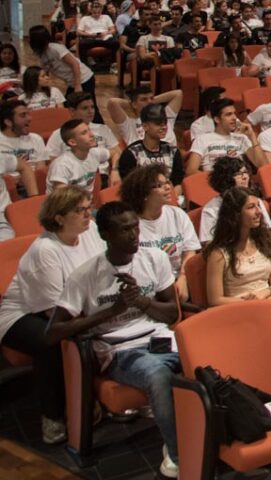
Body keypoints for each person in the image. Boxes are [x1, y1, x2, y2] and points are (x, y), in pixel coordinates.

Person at [44, 202, 181, 478]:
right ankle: (178, 452)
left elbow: (173, 312)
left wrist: (141, 302)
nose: (133, 235)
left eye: (135, 227)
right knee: (158, 376)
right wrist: (112, 311)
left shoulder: (154, 258)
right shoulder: (85, 275)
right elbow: (53, 333)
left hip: (160, 338)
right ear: (105, 234)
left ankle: (218, 435)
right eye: (124, 230)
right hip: (120, 350)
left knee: (207, 360)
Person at [0, 186, 103, 445]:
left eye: (88, 207)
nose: (87, 214)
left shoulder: (89, 231)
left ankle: (90, 399)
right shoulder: (45, 250)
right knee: (52, 340)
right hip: (22, 315)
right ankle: (53, 416)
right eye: (80, 210)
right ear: (59, 217)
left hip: (73, 306)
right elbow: (55, 312)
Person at [202, 186, 271, 329]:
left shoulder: (266, 241)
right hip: (238, 309)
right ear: (235, 214)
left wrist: (263, 294)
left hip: (267, 301)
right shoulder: (218, 253)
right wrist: (248, 303)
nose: (259, 212)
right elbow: (214, 300)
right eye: (251, 207)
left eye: (258, 206)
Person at [121, 165, 200, 290]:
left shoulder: (177, 214)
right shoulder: (130, 225)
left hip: (180, 279)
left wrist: (183, 278)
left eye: (167, 182)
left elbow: (189, 251)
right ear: (144, 194)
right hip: (149, 285)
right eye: (159, 185)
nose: (168, 187)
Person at [199, 156, 271, 243]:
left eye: (245, 172)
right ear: (225, 178)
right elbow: (209, 244)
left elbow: (267, 234)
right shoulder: (211, 209)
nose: (245, 177)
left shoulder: (256, 201)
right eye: (238, 174)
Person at [187, 98, 263, 174]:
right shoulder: (202, 139)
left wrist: (252, 136)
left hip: (240, 182)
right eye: (229, 114)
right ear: (217, 119)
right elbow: (191, 171)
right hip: (214, 183)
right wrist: (217, 178)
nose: (234, 118)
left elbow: (262, 165)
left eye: (234, 113)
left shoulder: (242, 138)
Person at [48, 118, 118, 191]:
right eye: (84, 133)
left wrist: (115, 171)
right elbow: (62, 198)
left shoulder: (94, 153)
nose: (91, 135)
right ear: (72, 142)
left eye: (89, 130)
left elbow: (115, 153)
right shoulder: (61, 166)